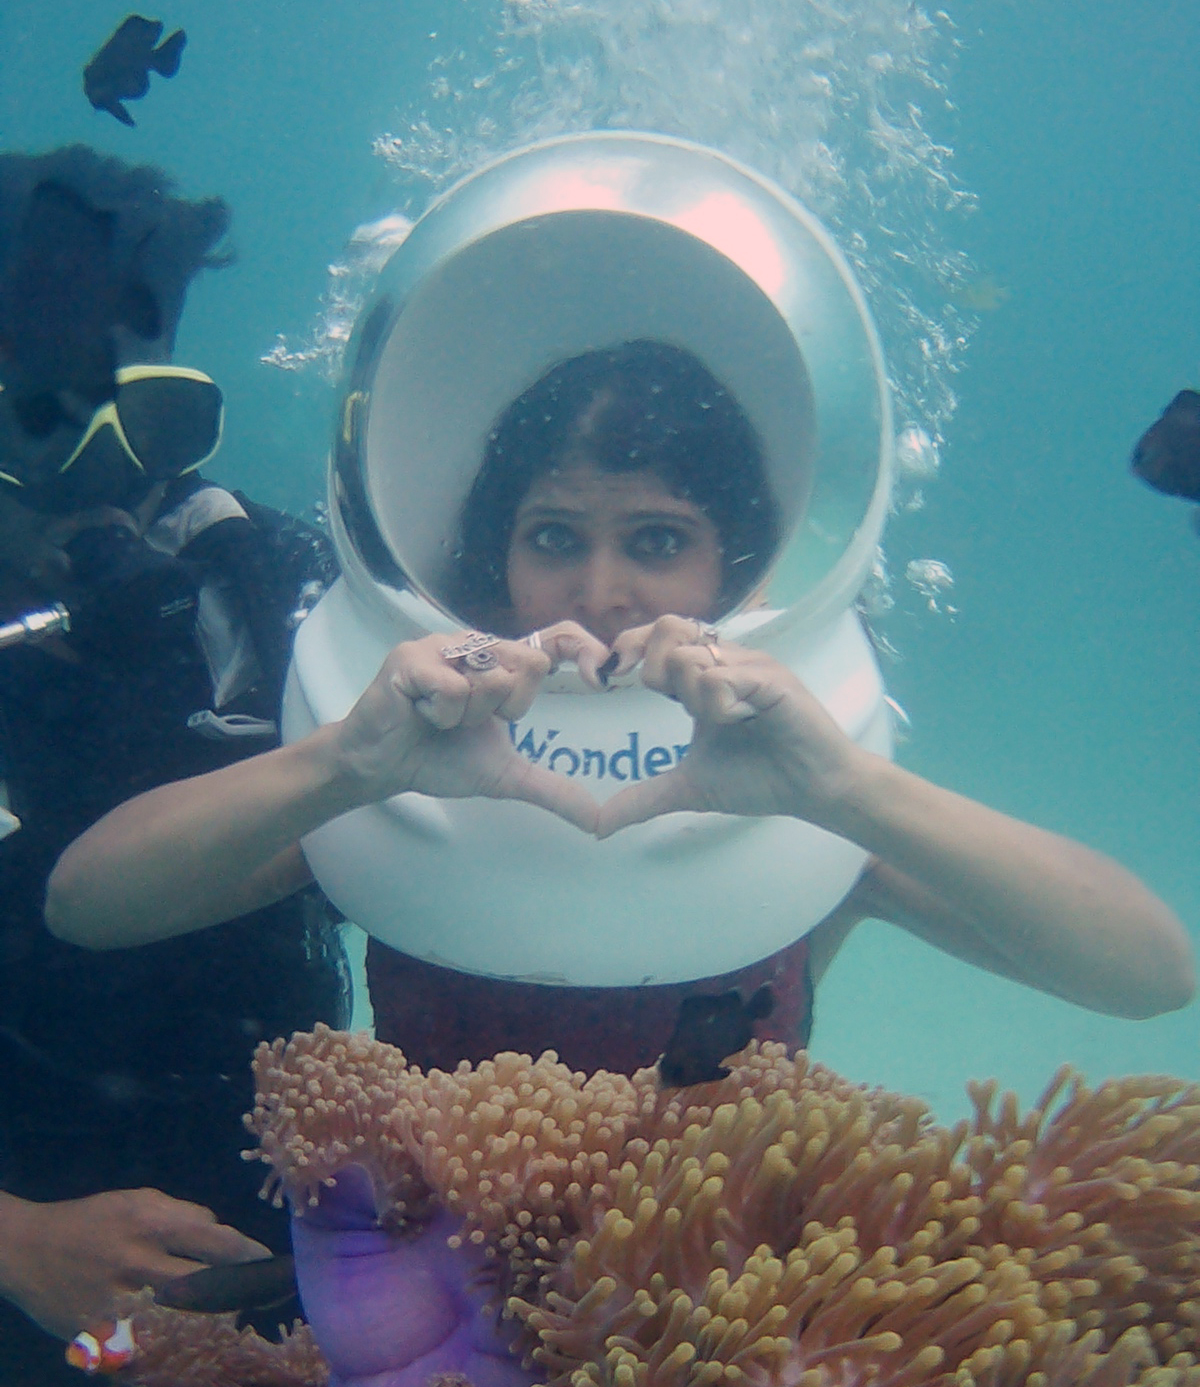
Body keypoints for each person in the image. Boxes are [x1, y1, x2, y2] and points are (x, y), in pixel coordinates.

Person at [46, 337, 1194, 1100]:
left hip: (709, 1346)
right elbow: (88, 905)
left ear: (733, 564)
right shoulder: (424, 772)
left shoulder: (799, 811)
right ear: (496, 555)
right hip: (421, 1321)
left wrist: (845, 788)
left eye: (656, 541)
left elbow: (1149, 971)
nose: (600, 593)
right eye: (554, 538)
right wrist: (346, 764)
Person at [0, 147, 349, 1387]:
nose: (92, 469)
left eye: (131, 404)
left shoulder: (264, 583)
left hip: (279, 1234)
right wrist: (19, 1239)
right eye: (37, 405)